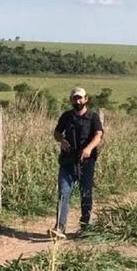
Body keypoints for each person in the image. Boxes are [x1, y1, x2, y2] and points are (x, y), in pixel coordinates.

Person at [50, 87, 104, 239]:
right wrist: (62, 140)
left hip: (86, 162)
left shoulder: (93, 117)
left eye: (80, 98)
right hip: (68, 161)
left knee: (86, 194)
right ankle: (60, 227)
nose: (78, 101)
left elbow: (99, 134)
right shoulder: (66, 116)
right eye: (75, 98)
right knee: (63, 192)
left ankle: (85, 226)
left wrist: (89, 148)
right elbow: (57, 132)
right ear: (71, 100)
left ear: (86, 99)